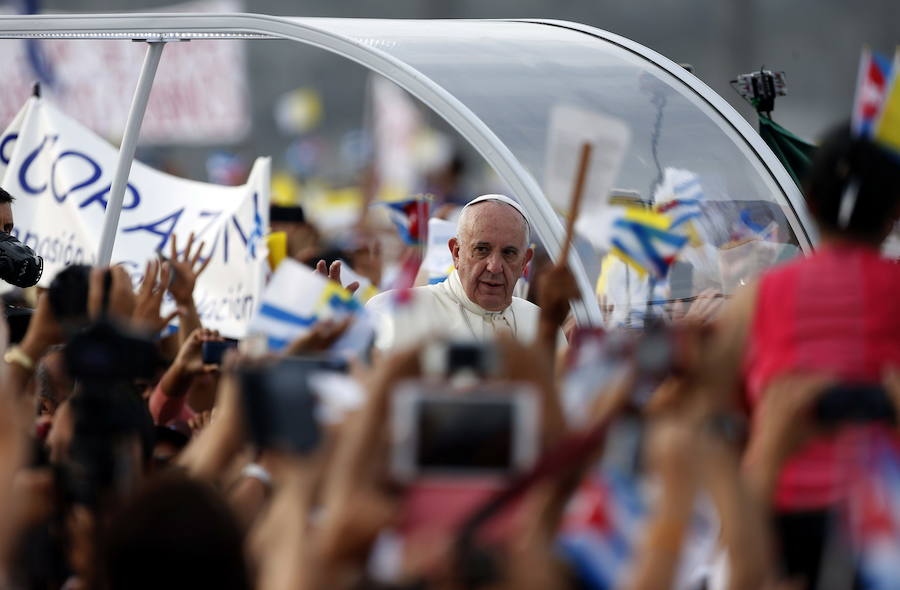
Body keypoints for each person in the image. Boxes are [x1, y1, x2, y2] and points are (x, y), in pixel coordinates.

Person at [701, 123, 900, 588]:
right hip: (885, 527)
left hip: (779, 519)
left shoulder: (759, 298)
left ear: (809, 203)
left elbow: (712, 412)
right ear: (894, 214)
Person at [365, 194, 539, 351]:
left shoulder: (540, 324)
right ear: (456, 252)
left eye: (509, 253)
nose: (494, 267)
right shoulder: (394, 313)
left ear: (525, 261)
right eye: (482, 249)